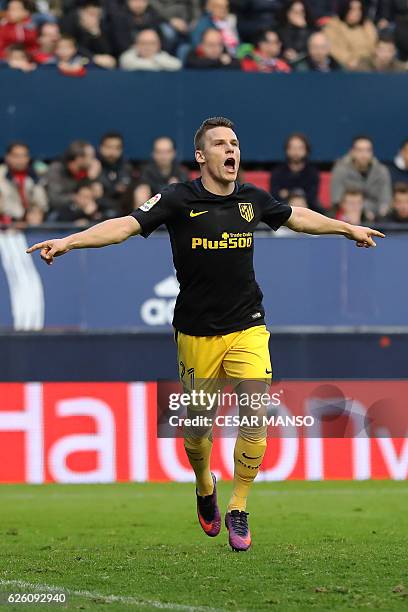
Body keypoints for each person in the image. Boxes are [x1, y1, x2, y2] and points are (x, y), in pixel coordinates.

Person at [27, 116, 384, 552]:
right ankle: (204, 486)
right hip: (196, 333)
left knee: (255, 413)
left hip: (248, 325)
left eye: (235, 143)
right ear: (202, 156)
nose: (231, 150)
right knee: (197, 433)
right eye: (220, 144)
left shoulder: (251, 198)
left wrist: (346, 228)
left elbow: (297, 217)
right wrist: (70, 241)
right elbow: (124, 225)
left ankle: (238, 506)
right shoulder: (177, 199)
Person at [331, 135, 392, 220]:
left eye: (368, 150)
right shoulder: (340, 170)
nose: (364, 154)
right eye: (359, 150)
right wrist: (357, 211)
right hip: (347, 218)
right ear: (352, 152)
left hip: (376, 217)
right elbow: (336, 201)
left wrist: (378, 215)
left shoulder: (382, 171)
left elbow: (385, 201)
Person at [45, 140, 101, 209]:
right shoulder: (56, 169)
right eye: (90, 156)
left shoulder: (88, 171)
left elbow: (96, 196)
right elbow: (55, 200)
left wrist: (92, 178)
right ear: (79, 159)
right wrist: (75, 198)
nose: (94, 160)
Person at [134, 136, 188, 207]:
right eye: (159, 152)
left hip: (173, 210)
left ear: (174, 153)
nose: (163, 156)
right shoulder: (146, 171)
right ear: (153, 154)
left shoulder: (181, 171)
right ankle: (139, 218)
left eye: (167, 152)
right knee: (141, 191)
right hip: (150, 208)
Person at [270, 133, 320, 211]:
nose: (296, 152)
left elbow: (312, 198)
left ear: (306, 150)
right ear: (287, 150)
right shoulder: (278, 172)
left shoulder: (312, 172)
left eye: (300, 148)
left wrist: (289, 193)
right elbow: (274, 196)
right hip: (283, 211)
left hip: (309, 211)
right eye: (293, 148)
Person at [60, 0, 116, 69]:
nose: (95, 18)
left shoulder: (101, 24)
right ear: (81, 13)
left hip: (95, 60)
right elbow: (71, 45)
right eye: (91, 14)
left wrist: (95, 33)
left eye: (97, 15)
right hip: (74, 58)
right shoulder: (69, 22)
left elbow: (107, 51)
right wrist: (93, 57)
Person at [0, 141, 48, 221]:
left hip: (31, 223)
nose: (20, 160)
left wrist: (38, 212)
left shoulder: (35, 176)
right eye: (16, 156)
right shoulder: (1, 174)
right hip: (6, 223)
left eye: (24, 156)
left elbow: (41, 203)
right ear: (7, 157)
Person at [323, 0, 377, 70]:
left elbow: (374, 45)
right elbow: (333, 48)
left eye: (359, 9)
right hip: (345, 64)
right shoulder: (333, 25)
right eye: (353, 9)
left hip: (369, 61)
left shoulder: (367, 25)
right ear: (345, 9)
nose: (357, 13)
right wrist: (348, 59)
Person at [97, 132, 133, 216]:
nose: (112, 152)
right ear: (101, 148)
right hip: (99, 214)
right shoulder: (94, 167)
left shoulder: (127, 168)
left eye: (117, 148)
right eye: (109, 147)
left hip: (124, 213)